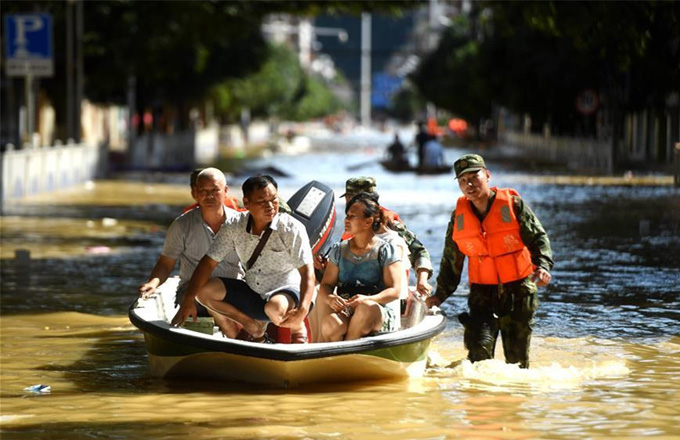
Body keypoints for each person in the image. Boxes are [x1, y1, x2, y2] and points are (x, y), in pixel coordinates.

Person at [426, 154, 553, 368]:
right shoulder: (459, 216)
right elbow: (451, 261)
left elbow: (539, 238)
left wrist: (542, 267)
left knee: (517, 363)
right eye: (463, 180)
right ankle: (479, 399)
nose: (469, 184)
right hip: (482, 295)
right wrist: (439, 295)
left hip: (519, 291)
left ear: (487, 175)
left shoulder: (513, 204)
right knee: (478, 359)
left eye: (474, 177)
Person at [171, 175, 315, 344]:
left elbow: (308, 273)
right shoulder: (234, 225)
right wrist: (188, 300)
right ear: (246, 203)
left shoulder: (291, 227)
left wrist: (302, 310)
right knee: (202, 292)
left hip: (288, 292)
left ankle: (298, 329)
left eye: (274, 199)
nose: (270, 206)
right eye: (262, 201)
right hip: (254, 290)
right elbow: (208, 263)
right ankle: (252, 326)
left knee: (274, 308)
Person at [138, 168, 244, 338]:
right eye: (203, 191)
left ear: (225, 191)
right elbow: (166, 263)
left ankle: (246, 333)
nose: (209, 196)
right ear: (195, 193)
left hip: (231, 292)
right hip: (191, 294)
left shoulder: (241, 224)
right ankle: (236, 336)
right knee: (205, 296)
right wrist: (153, 283)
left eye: (214, 190)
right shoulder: (181, 225)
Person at [318, 193, 402, 341]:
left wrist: (367, 299)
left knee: (365, 309)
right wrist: (330, 298)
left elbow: (394, 291)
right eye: (347, 215)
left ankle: (348, 349)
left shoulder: (386, 250)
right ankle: (336, 357)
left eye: (352, 216)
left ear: (368, 222)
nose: (346, 220)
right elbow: (326, 285)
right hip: (347, 310)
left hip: (377, 310)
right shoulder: (339, 250)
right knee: (331, 324)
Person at [337, 177, 434, 297]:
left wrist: (422, 280)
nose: (348, 204)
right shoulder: (352, 224)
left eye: (352, 199)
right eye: (347, 199)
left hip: (387, 293)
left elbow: (419, 251)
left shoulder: (389, 225)